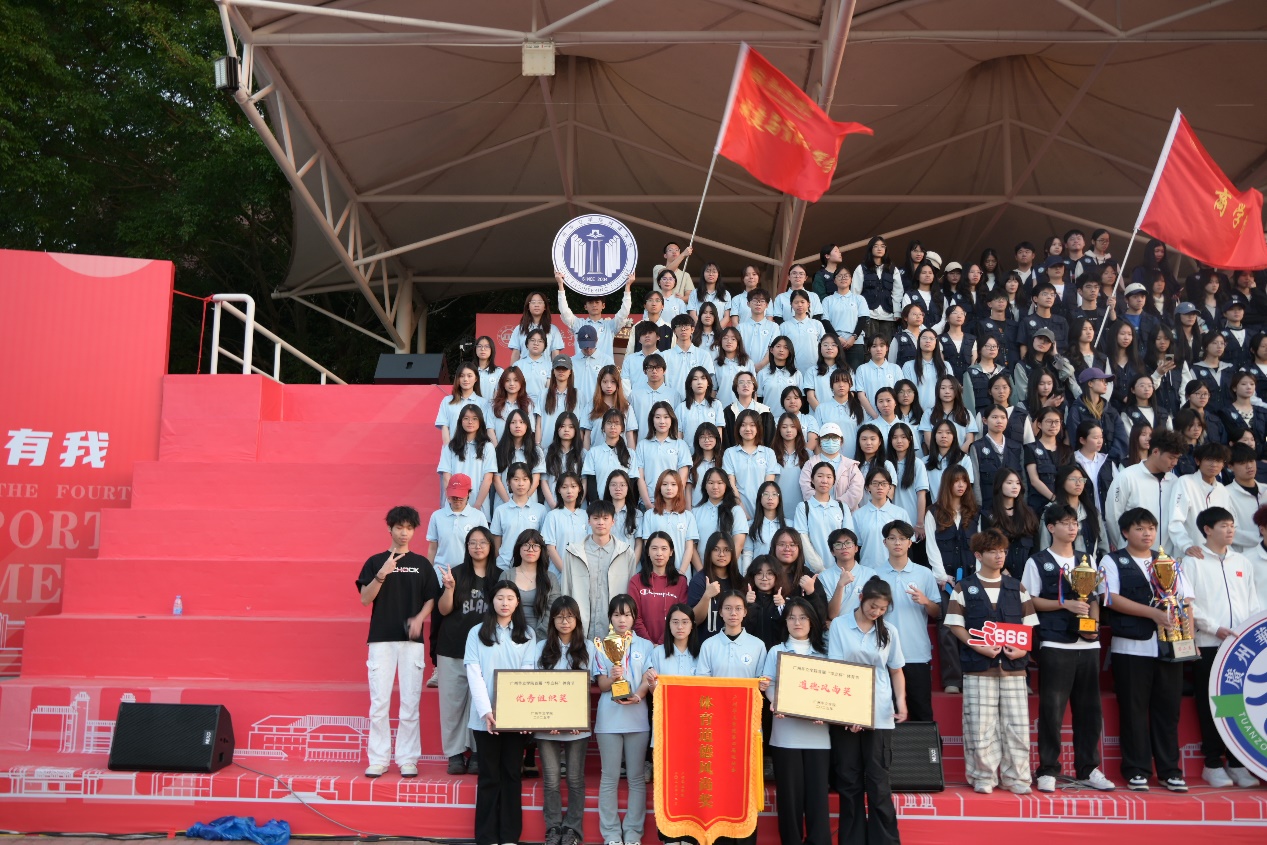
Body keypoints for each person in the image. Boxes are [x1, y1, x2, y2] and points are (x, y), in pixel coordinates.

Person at [1022, 503, 1114, 793]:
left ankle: (1088, 768)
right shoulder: (1038, 561)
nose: (1072, 528)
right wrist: (1065, 604)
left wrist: (1093, 626)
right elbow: (1029, 600)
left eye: (1075, 523)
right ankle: (1048, 769)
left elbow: (1094, 598)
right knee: (1052, 710)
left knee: (1089, 710)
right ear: (1051, 528)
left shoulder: (1087, 559)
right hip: (1054, 641)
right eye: (1065, 523)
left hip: (1088, 644)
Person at [1100, 507, 1191, 792]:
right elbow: (1111, 598)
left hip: (1169, 647)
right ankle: (1136, 770)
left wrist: (1187, 637)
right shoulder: (1113, 560)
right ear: (1125, 532)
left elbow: (1185, 600)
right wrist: (1152, 613)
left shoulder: (1167, 561)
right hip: (1132, 647)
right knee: (1133, 711)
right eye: (1140, 528)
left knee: (1168, 711)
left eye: (1151, 528)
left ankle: (1169, 770)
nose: (1147, 533)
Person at [945, 529, 1039, 794]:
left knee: (1017, 726)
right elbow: (955, 624)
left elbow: (1029, 625)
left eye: (1003, 551)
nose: (1000, 556)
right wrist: (978, 646)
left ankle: (1017, 778)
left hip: (1014, 669)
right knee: (980, 726)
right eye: (993, 551)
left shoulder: (1016, 587)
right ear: (978, 555)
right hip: (978, 667)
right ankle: (983, 776)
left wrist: (1022, 649)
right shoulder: (964, 587)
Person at [355, 505, 439, 779]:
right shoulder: (375, 561)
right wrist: (382, 574)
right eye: (399, 527)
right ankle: (378, 759)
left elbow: (431, 597)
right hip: (381, 640)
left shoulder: (422, 564)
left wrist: (420, 619)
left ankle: (407, 759)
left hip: (411, 643)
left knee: (410, 703)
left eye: (409, 528)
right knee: (379, 703)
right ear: (389, 528)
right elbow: (365, 598)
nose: (404, 533)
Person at [1185, 506, 1264, 787]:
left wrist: (1248, 632)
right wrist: (1212, 627)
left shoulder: (1241, 562)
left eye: (1232, 525)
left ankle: (1237, 762)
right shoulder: (1192, 562)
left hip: (1240, 648)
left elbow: (1252, 601)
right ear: (1207, 529)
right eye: (1223, 525)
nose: (1230, 530)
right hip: (1208, 643)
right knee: (1210, 706)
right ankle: (1212, 763)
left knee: (1234, 706)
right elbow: (1188, 604)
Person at [828, 576, 905, 845]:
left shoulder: (889, 631)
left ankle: (885, 841)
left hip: (879, 714)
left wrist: (901, 702)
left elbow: (896, 671)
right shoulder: (840, 625)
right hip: (845, 713)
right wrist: (850, 712)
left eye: (882, 609)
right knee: (849, 781)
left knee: (878, 782)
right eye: (873, 606)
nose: (876, 612)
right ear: (861, 599)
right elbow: (837, 670)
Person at [464, 581, 537, 845]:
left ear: (517, 602)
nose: (504, 603)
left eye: (510, 598)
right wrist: (486, 711)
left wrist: (520, 713)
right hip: (484, 719)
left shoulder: (527, 634)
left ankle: (508, 837)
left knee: (511, 775)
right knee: (488, 777)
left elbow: (528, 674)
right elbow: (474, 673)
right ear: (491, 601)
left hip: (515, 718)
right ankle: (486, 837)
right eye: (499, 597)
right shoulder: (476, 633)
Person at [762, 598, 831, 845]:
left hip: (818, 735)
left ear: (812, 622)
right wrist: (776, 702)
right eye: (791, 617)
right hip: (786, 734)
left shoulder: (824, 653)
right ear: (786, 622)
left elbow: (833, 690)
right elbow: (768, 684)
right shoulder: (776, 651)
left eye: (802, 617)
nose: (797, 622)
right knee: (789, 798)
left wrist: (826, 711)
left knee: (817, 797)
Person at [436, 527, 501, 775]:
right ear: (466, 546)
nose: (477, 547)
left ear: (491, 546)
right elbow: (443, 610)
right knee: (451, 704)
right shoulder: (456, 573)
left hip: (485, 651)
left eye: (483, 542)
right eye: (472, 542)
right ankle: (454, 754)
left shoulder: (499, 576)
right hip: (452, 647)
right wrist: (449, 588)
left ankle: (476, 752)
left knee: (480, 703)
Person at [592, 594, 654, 845]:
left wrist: (638, 696)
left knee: (636, 778)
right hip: (609, 720)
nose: (622, 620)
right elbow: (601, 684)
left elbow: (648, 679)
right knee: (609, 778)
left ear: (634, 617)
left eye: (627, 614)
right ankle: (610, 834)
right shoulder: (600, 645)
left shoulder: (646, 646)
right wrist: (612, 677)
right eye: (617, 615)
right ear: (610, 618)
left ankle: (633, 832)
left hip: (637, 720)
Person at [533, 596, 594, 845]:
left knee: (575, 779)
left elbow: (592, 685)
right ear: (552, 620)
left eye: (569, 616)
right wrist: (550, 720)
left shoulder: (588, 647)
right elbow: (535, 685)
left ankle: (572, 829)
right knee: (551, 779)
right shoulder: (541, 647)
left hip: (577, 725)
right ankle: (553, 828)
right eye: (559, 617)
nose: (565, 621)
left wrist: (572, 718)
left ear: (577, 619)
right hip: (546, 724)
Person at [875, 520, 940, 721]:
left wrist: (925, 601)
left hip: (916, 653)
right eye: (892, 538)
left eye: (903, 538)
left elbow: (937, 612)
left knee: (922, 712)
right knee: (889, 715)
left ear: (910, 543)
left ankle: (927, 745)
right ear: (884, 542)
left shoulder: (924, 573)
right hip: (884, 653)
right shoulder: (875, 575)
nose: (897, 543)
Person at [559, 500, 638, 636]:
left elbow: (630, 594)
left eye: (605, 518)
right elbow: (566, 590)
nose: (600, 522)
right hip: (581, 628)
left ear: (613, 521)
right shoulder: (573, 552)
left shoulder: (626, 552)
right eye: (596, 518)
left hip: (615, 629)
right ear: (589, 521)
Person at [1105, 429, 1185, 551]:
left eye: (1177, 458)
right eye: (1171, 457)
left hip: (1166, 556)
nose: (1175, 463)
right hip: (1133, 555)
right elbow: (1113, 516)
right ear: (1155, 451)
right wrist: (1123, 546)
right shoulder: (1127, 477)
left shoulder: (1175, 481)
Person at [1166, 442, 1232, 559]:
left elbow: (1228, 524)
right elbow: (1175, 520)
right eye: (1209, 460)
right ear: (1197, 461)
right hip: (1190, 555)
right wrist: (1186, 546)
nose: (1214, 464)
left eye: (1218, 461)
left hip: (1218, 556)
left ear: (1223, 464)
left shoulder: (1223, 490)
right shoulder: (1185, 482)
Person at [556, 269, 633, 361]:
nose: (594, 305)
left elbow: (624, 312)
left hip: (605, 368)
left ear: (603, 305)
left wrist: (628, 286)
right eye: (590, 302)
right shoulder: (578, 324)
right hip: (581, 368)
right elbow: (564, 311)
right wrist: (560, 284)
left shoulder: (610, 325)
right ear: (585, 306)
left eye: (597, 302)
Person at [440, 404, 499, 518]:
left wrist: (477, 505)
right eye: (466, 418)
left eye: (474, 418)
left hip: (479, 507)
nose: (470, 422)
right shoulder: (450, 447)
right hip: (453, 506)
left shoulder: (488, 447)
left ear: (480, 421)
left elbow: (488, 479)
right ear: (460, 421)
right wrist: (451, 501)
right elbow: (446, 477)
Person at [629, 532, 689, 645]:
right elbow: (635, 616)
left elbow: (681, 616)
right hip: (641, 645)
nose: (659, 553)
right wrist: (649, 644)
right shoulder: (636, 581)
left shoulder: (680, 582)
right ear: (647, 552)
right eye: (654, 548)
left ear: (671, 552)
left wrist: (662, 643)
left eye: (664, 549)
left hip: (670, 645)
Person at [506, 528, 561, 640]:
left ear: (541, 550)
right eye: (526, 545)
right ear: (519, 548)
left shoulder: (550, 578)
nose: (530, 549)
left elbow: (553, 610)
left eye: (535, 546)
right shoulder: (507, 575)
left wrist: (538, 637)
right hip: (510, 635)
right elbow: (500, 606)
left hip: (542, 638)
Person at [853, 468, 911, 570]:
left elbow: (908, 545)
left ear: (889, 487)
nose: (880, 487)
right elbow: (856, 547)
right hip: (867, 570)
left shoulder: (901, 513)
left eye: (884, 483)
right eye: (875, 483)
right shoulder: (858, 515)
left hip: (895, 570)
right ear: (868, 487)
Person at [798, 421, 865, 510]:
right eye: (826, 437)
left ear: (841, 441)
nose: (830, 441)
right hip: (817, 513)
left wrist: (837, 506)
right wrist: (823, 506)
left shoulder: (851, 465)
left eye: (834, 437)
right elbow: (806, 489)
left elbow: (856, 491)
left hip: (846, 513)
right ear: (819, 442)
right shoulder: (810, 464)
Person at [970, 405, 1024, 511]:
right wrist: (979, 506)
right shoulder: (977, 447)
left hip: (1014, 508)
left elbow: (1023, 479)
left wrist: (1022, 504)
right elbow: (976, 480)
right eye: (994, 417)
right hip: (988, 507)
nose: (999, 421)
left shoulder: (1016, 447)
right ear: (985, 421)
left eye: (1003, 418)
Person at [1225, 443, 1267, 553]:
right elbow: (1231, 532)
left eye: (1251, 461)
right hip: (1244, 556)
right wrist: (1263, 538)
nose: (1249, 466)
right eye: (1242, 463)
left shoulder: (1265, 489)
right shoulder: (1225, 494)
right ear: (1230, 466)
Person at [508, 291, 565, 364]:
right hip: (524, 369)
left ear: (545, 307)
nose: (536, 305)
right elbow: (516, 354)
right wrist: (512, 370)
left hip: (545, 370)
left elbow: (555, 355)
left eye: (540, 302)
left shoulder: (553, 330)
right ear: (528, 307)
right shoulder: (519, 329)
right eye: (533, 302)